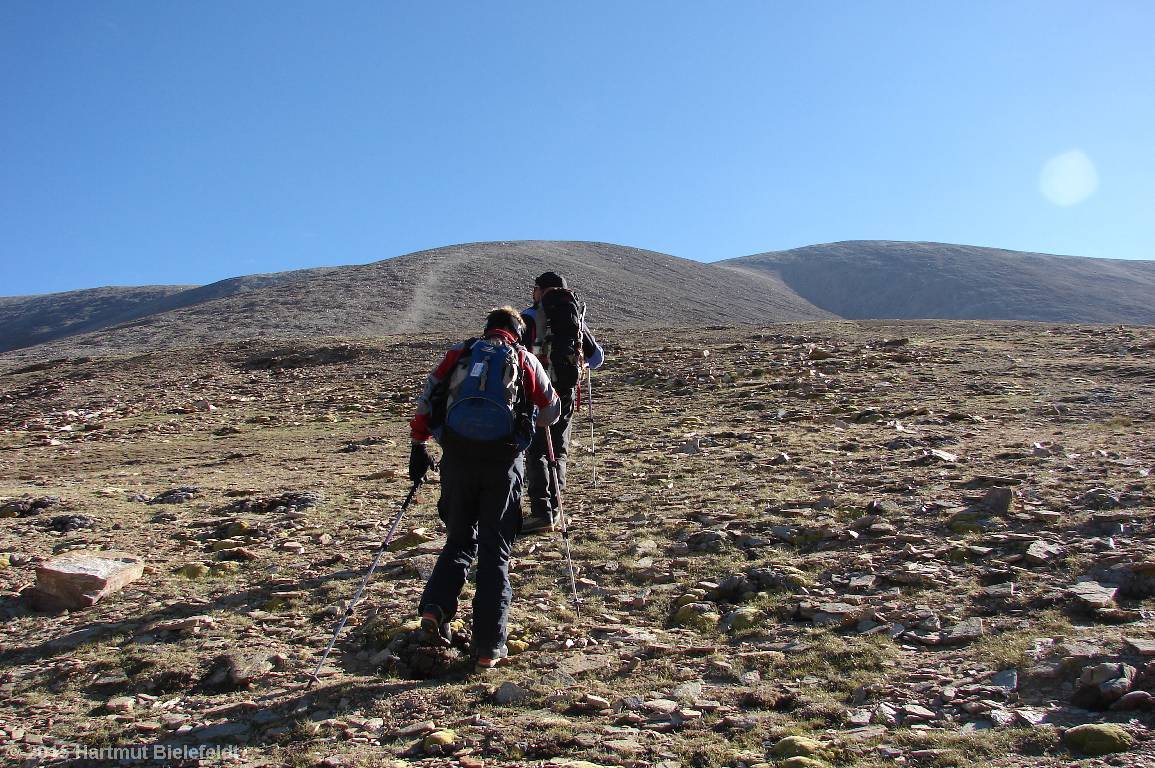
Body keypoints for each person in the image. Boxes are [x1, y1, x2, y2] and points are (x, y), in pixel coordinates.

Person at [409, 306, 560, 669]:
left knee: (459, 540)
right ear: (518, 332)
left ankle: (434, 609)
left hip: (457, 459)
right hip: (503, 463)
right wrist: (527, 422)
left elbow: (427, 400)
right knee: (495, 551)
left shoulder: (459, 353)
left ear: (488, 327)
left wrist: (419, 444)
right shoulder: (525, 359)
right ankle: (488, 648)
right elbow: (552, 410)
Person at [520, 272, 605, 534]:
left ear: (540, 290)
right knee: (559, 447)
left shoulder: (530, 316)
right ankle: (556, 509)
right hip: (566, 390)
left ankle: (541, 513)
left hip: (536, 390)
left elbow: (516, 356)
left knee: (537, 450)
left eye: (534, 289)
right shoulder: (574, 318)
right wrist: (574, 368)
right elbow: (597, 357)